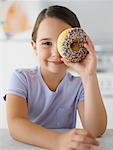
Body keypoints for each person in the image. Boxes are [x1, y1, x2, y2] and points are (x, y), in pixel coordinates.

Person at [5, 5, 107, 150]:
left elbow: (95, 130)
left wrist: (89, 75)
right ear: (34, 46)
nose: (56, 53)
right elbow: (15, 124)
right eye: (46, 43)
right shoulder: (22, 78)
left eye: (65, 44)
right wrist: (58, 141)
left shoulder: (79, 85)